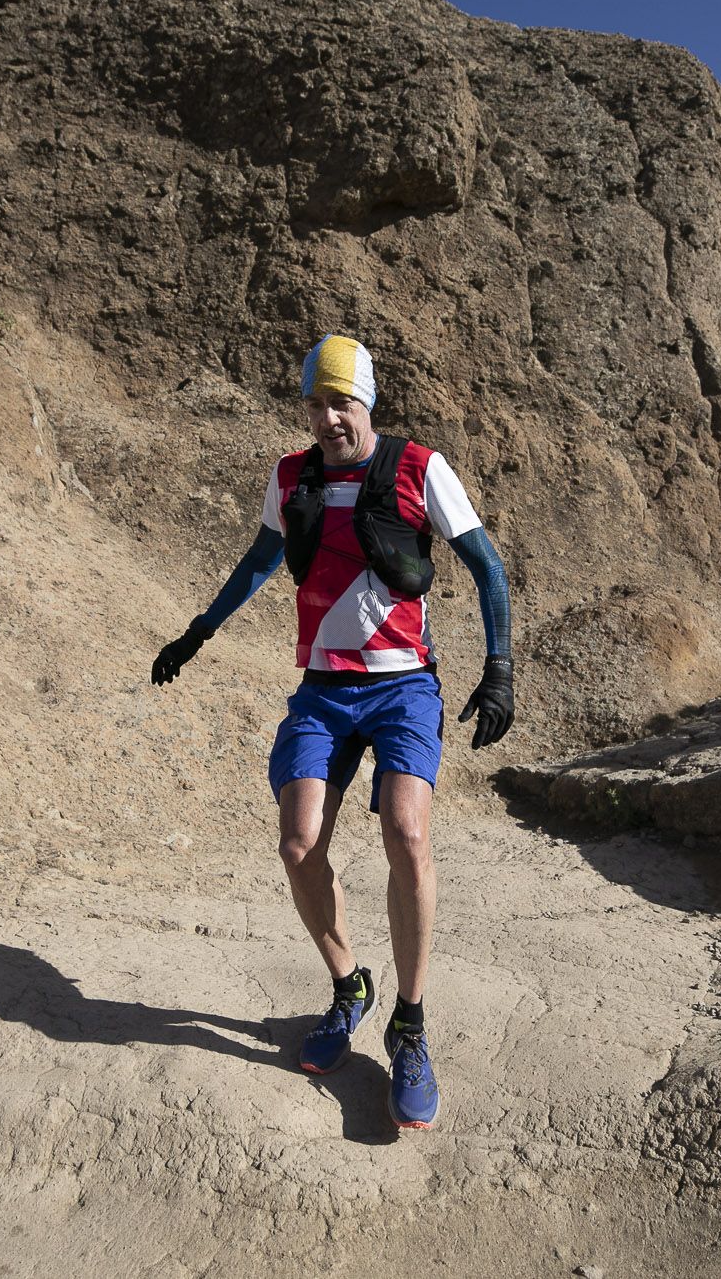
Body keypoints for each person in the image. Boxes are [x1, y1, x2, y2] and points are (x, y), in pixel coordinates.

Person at [150, 334, 514, 1131]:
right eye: (316, 404)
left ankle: (409, 1024)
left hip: (402, 688)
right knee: (298, 841)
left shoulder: (421, 468)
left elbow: (487, 566)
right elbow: (257, 561)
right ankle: (351, 986)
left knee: (408, 834)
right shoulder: (291, 476)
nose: (327, 418)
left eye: (341, 402)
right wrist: (196, 632)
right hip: (323, 690)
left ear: (369, 402)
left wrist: (500, 666)